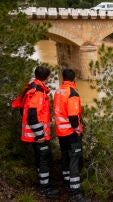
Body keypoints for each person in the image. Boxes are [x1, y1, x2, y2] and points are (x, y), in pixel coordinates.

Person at [12, 66, 60, 199]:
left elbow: (23, 109)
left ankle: (44, 183)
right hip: (38, 135)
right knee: (44, 158)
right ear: (47, 77)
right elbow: (32, 114)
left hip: (34, 133)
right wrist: (39, 135)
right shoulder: (38, 92)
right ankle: (44, 188)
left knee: (41, 158)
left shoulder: (32, 87)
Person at [54, 68, 87, 202]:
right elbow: (73, 118)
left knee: (66, 157)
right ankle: (75, 193)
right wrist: (79, 129)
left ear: (63, 78)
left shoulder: (58, 90)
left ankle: (67, 183)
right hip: (70, 133)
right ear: (74, 79)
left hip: (60, 132)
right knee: (74, 160)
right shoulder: (72, 93)